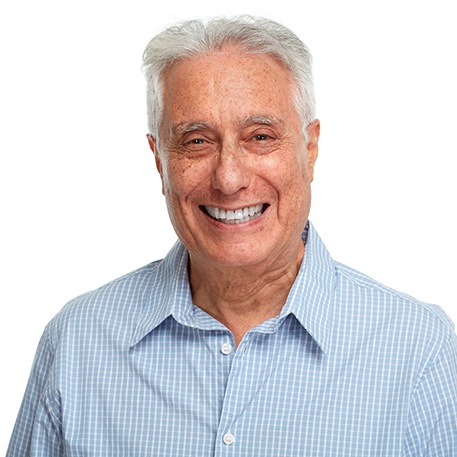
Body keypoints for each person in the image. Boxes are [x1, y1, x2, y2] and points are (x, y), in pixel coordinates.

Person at [7, 15, 457, 456]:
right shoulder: (78, 342)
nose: (229, 178)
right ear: (160, 160)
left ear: (310, 147)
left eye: (260, 137)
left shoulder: (419, 350)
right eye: (197, 141)